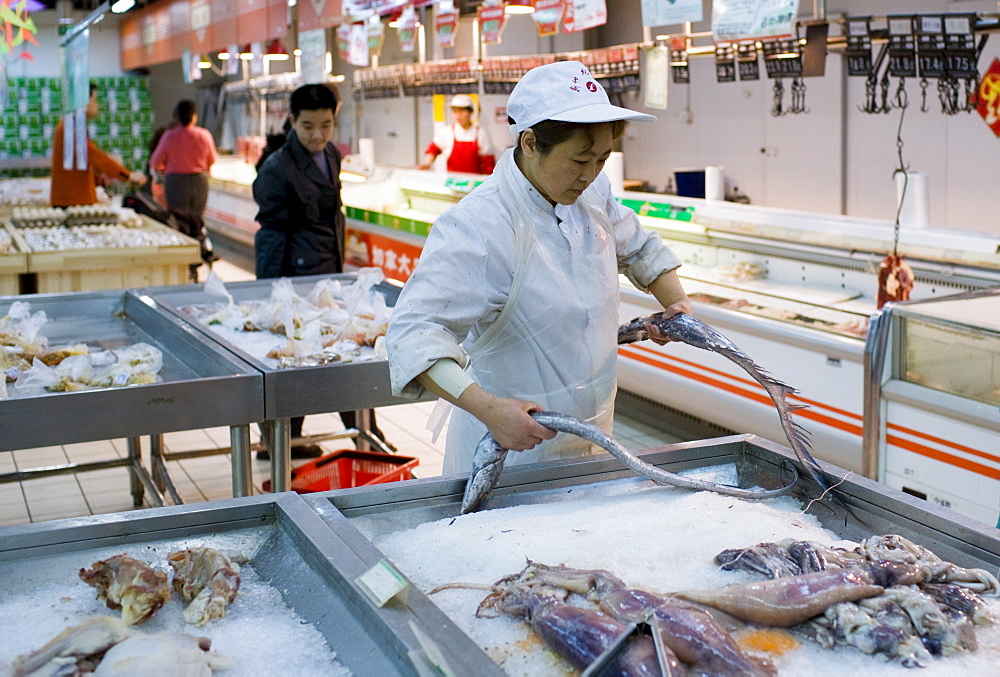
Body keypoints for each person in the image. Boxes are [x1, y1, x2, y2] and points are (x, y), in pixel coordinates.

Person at [386, 61, 692, 474]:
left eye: (602, 159)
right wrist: (490, 410)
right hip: (506, 452)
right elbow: (414, 334)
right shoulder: (478, 225)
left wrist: (676, 306)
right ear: (530, 143)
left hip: (594, 439)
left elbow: (638, 247)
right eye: (580, 159)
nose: (591, 174)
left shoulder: (592, 193)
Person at [252, 83, 387, 459]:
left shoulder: (331, 153)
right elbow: (270, 233)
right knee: (299, 358)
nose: (317, 135)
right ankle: (280, 442)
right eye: (308, 126)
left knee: (339, 349)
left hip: (327, 269)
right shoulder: (277, 168)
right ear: (292, 121)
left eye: (326, 125)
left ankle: (363, 431)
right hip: (295, 276)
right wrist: (271, 291)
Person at [50, 83, 147, 207]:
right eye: (95, 100)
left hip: (71, 198)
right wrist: (127, 175)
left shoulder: (69, 124)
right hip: (73, 201)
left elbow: (80, 163)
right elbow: (93, 155)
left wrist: (97, 178)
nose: (97, 105)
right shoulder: (71, 127)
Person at [150, 100, 217, 222]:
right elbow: (212, 160)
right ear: (194, 116)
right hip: (199, 182)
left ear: (177, 117)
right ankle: (197, 239)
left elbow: (155, 162)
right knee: (197, 219)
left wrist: (160, 178)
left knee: (177, 219)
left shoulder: (169, 136)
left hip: (175, 183)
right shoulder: (204, 135)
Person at [418, 94, 496, 174]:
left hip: (474, 183)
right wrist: (427, 164)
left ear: (471, 112)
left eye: (462, 111)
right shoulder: (447, 132)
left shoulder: (481, 134)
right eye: (455, 111)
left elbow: (488, 164)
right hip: (453, 182)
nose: (458, 115)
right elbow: (433, 149)